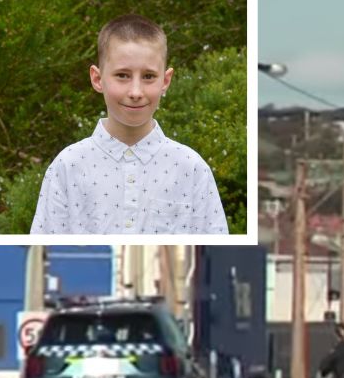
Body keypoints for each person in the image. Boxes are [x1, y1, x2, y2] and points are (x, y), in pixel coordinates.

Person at [30, 14, 228, 235]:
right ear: (97, 79)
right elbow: (44, 249)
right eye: (122, 75)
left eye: (148, 76)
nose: (135, 92)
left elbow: (214, 248)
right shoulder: (68, 166)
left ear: (165, 81)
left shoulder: (192, 169)